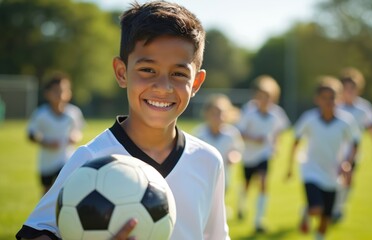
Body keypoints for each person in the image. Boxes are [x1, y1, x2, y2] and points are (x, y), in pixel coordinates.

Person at [16, 1, 230, 240]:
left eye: (178, 74)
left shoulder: (208, 160)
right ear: (121, 72)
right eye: (148, 70)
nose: (163, 87)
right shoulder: (91, 159)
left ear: (197, 84)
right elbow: (35, 234)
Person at [285, 76, 360, 240]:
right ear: (317, 99)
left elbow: (355, 143)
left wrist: (348, 163)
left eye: (332, 98)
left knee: (326, 218)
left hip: (333, 173)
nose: (328, 102)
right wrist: (290, 167)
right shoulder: (309, 118)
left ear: (339, 98)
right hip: (310, 169)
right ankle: (308, 211)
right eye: (324, 98)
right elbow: (296, 140)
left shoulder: (345, 121)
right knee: (316, 209)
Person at [236, 75, 290, 233]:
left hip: (264, 154)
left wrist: (276, 145)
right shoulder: (249, 111)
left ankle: (259, 221)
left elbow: (278, 131)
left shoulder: (277, 113)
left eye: (268, 97)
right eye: (261, 96)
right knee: (247, 184)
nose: (265, 100)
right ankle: (242, 204)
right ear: (256, 96)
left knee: (264, 183)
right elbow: (238, 132)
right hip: (248, 154)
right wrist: (254, 138)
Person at [332, 67, 372, 222]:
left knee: (348, 178)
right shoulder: (335, 105)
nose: (348, 91)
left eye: (352, 88)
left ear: (358, 89)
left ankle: (339, 207)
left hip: (353, 151)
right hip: (335, 150)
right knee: (333, 179)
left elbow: (371, 127)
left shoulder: (363, 107)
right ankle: (331, 206)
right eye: (345, 88)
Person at [27, 73, 85, 195]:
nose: (59, 94)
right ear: (47, 93)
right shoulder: (41, 114)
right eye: (55, 91)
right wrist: (45, 142)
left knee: (67, 190)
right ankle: (45, 214)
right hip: (47, 161)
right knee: (47, 191)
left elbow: (79, 131)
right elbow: (31, 134)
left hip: (66, 159)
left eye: (63, 90)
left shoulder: (73, 112)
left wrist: (75, 137)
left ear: (69, 93)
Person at [193, 93, 244, 192]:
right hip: (203, 176)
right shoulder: (200, 134)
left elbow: (237, 150)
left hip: (223, 176)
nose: (217, 117)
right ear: (206, 114)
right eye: (214, 113)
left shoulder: (231, 133)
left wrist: (233, 157)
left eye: (220, 113)